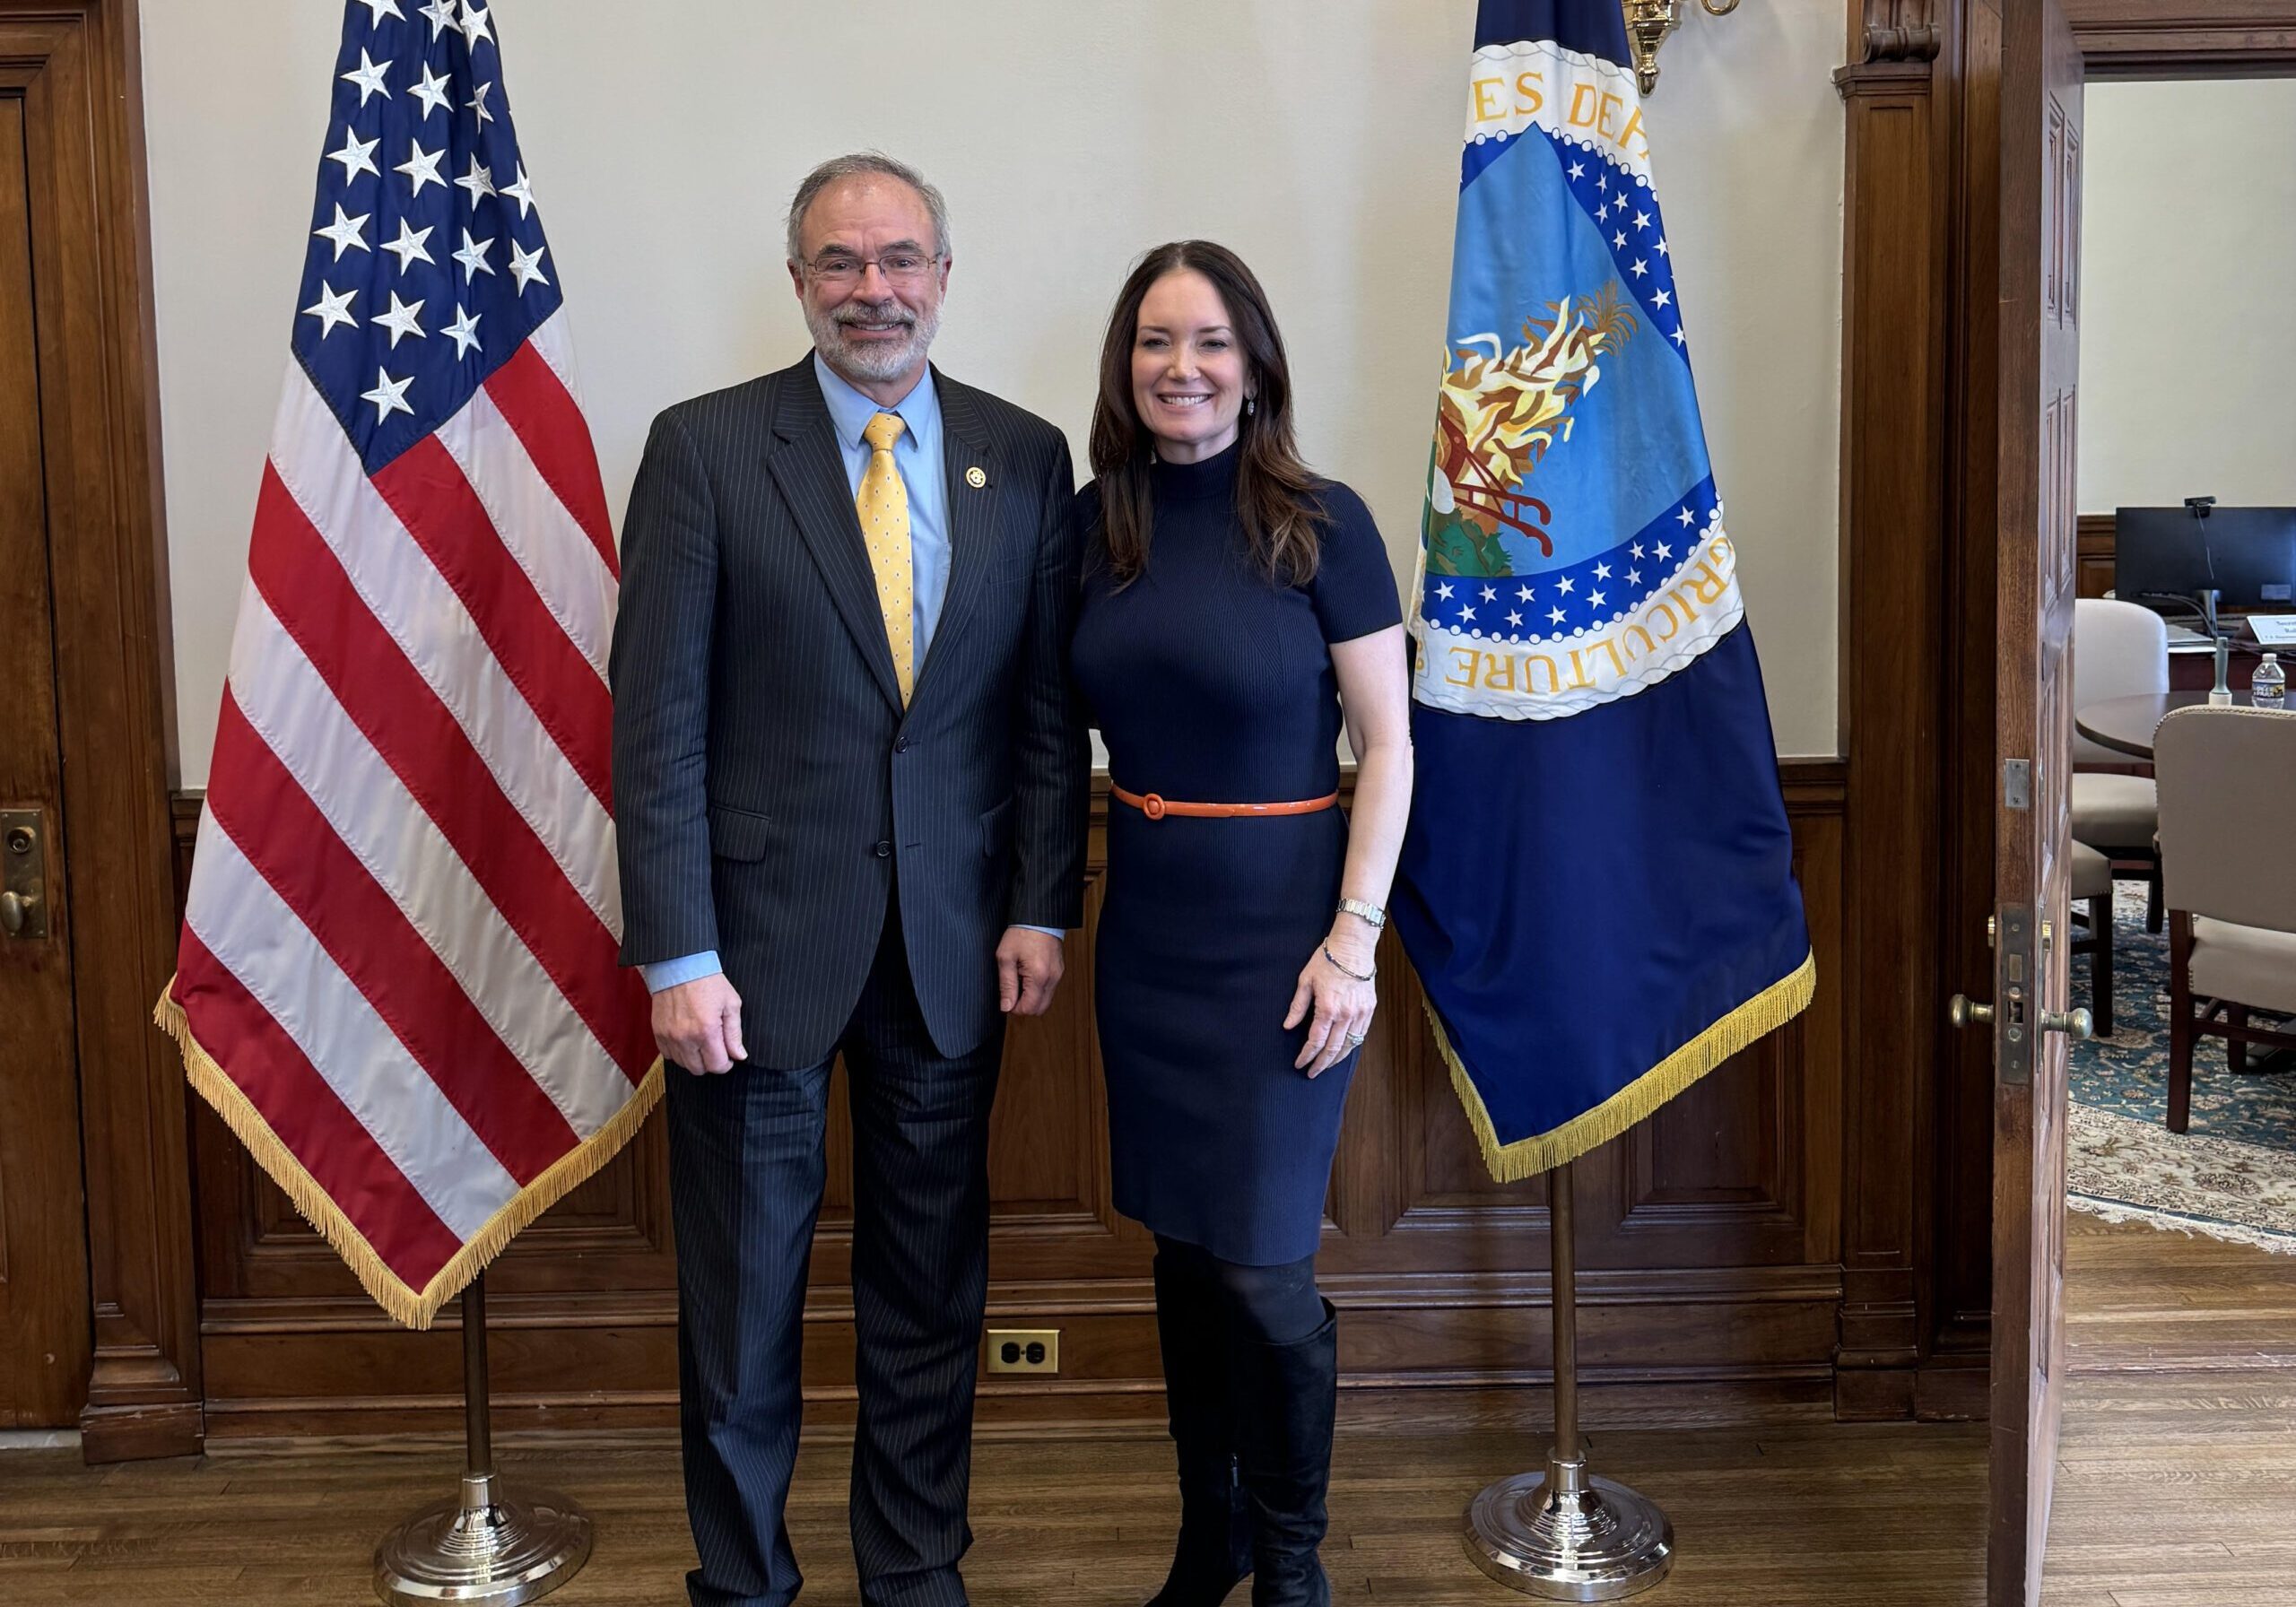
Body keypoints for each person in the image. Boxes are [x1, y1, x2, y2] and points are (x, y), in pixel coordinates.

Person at [611, 152, 1090, 1607]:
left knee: (929, 1298)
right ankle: (745, 1584)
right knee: (745, 1306)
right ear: (800, 281)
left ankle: (913, 1569)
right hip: (750, 962)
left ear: (945, 274)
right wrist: (677, 955)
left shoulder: (1027, 453)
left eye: (898, 260)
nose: (872, 289)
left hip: (950, 948)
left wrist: (1038, 898)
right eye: (839, 262)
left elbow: (1044, 713)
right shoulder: (703, 450)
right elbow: (659, 721)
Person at [1071, 242, 1413, 1607]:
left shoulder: (1323, 521)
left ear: (1256, 362)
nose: (1182, 368)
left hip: (1286, 947)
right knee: (1181, 1253)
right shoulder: (1097, 526)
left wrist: (1355, 943)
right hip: (1146, 940)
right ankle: (1204, 1539)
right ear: (1126, 365)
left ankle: (1291, 1565)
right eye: (1156, 342)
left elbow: (1386, 748)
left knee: (1266, 1273)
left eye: (1209, 341)